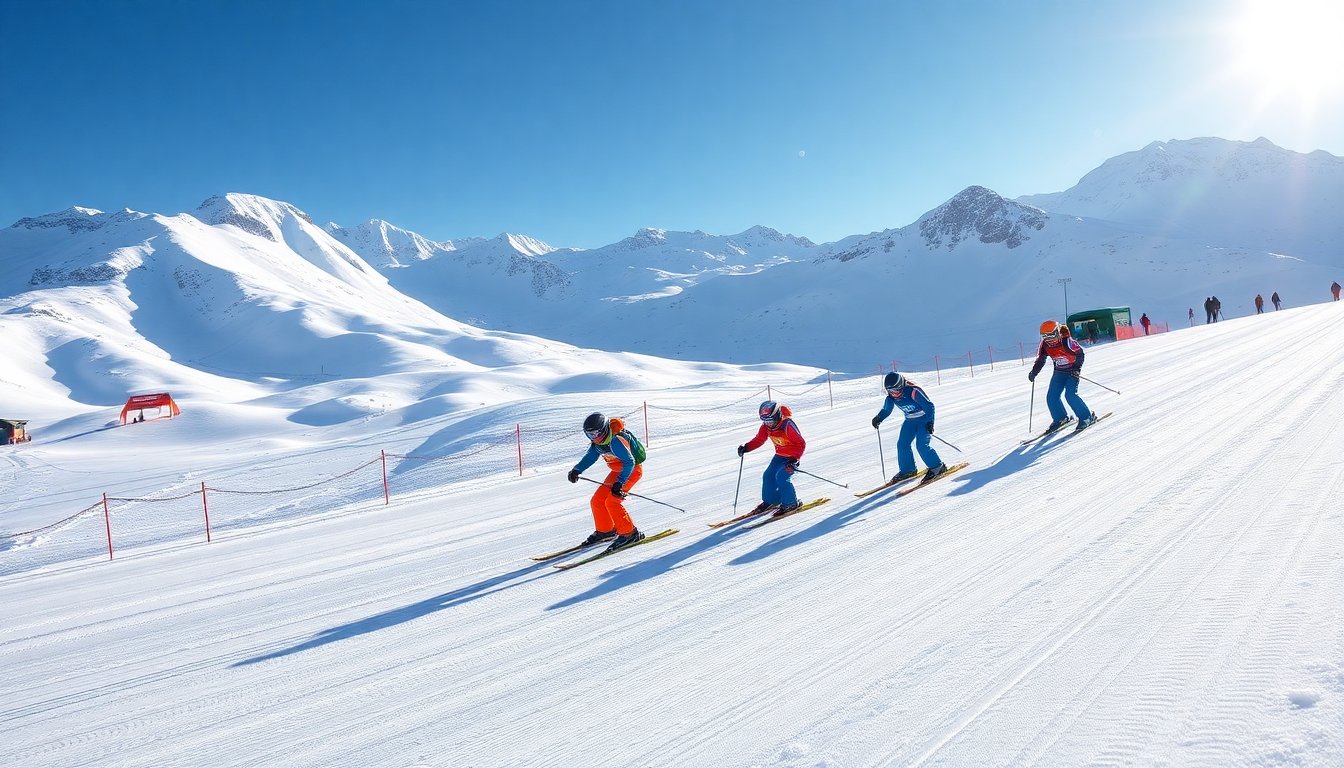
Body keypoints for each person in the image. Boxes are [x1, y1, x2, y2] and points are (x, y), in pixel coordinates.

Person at [567, 412, 644, 551]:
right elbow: (590, 457)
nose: (593, 438)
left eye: (595, 434)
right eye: (589, 435)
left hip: (631, 472)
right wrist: (577, 470)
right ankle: (606, 530)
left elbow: (629, 462)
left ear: (603, 429)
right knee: (597, 500)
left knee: (612, 501)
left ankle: (629, 533)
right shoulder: (598, 443)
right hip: (617, 472)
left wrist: (620, 483)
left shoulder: (615, 441)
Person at [871, 371, 946, 484]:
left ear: (902, 385)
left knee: (921, 445)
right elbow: (886, 409)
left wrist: (930, 422)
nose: (894, 393)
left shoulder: (913, 392)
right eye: (890, 391)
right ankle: (908, 470)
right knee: (902, 444)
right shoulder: (891, 398)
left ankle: (937, 467)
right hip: (909, 421)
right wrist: (879, 418)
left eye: (896, 390)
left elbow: (929, 406)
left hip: (924, 419)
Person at [737, 400, 806, 516]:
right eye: (765, 420)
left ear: (778, 415)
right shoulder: (766, 426)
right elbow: (759, 439)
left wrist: (794, 460)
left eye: (770, 420)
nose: (768, 423)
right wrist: (747, 447)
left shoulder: (787, 425)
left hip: (792, 457)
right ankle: (771, 501)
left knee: (782, 477)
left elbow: (801, 444)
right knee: (768, 475)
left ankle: (791, 503)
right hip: (780, 455)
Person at [1029, 320, 1095, 432]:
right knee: (1051, 397)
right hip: (1059, 372)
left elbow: (1080, 354)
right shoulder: (1045, 345)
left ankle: (1087, 417)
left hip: (1071, 372)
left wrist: (1076, 369)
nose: (1049, 340)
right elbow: (1041, 359)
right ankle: (1061, 418)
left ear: (1058, 332)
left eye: (1052, 336)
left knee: (1070, 395)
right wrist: (1034, 372)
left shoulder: (1067, 342)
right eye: (1045, 337)